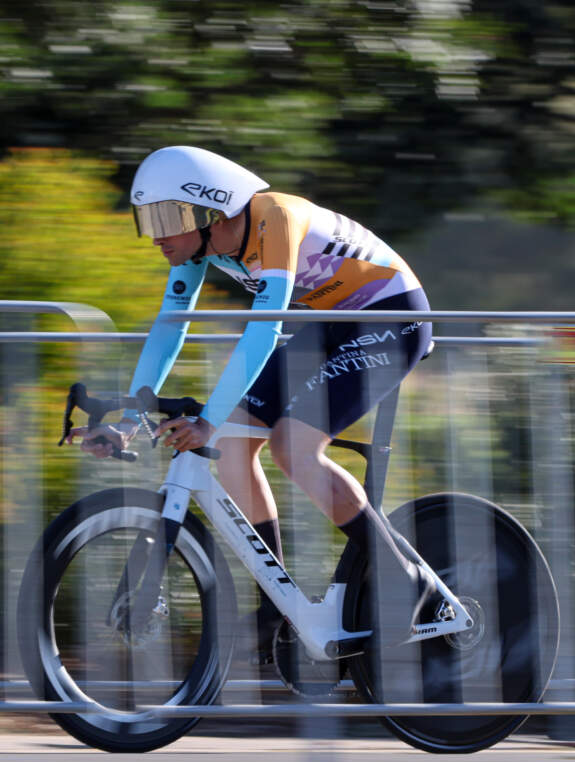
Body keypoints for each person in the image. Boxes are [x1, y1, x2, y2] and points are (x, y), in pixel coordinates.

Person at [74, 145, 435, 659]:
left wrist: (207, 420)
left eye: (166, 219)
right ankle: (276, 605)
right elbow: (169, 328)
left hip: (391, 319)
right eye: (147, 220)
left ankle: (402, 578)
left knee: (292, 448)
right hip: (332, 323)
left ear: (210, 211)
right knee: (232, 445)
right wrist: (131, 419)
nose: (156, 235)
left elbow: (263, 330)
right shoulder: (198, 248)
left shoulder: (275, 219)